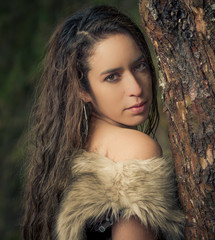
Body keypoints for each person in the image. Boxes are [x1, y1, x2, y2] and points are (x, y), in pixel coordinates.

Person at [22, 5, 184, 240]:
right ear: (82, 89)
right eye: (112, 77)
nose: (136, 88)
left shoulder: (68, 151)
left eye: (139, 66)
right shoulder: (136, 149)